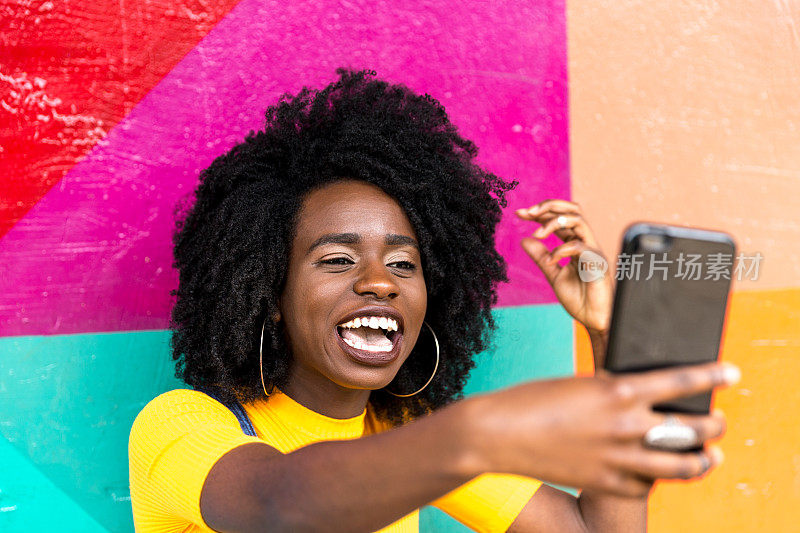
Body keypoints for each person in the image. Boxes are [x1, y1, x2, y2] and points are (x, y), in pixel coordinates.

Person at [129, 68, 738, 532]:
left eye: (403, 264)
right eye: (338, 260)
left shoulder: (401, 429)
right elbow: (279, 506)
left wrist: (612, 343)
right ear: (269, 296)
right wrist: (482, 433)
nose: (380, 283)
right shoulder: (180, 426)